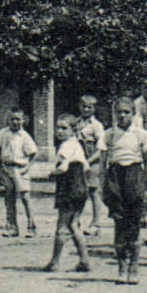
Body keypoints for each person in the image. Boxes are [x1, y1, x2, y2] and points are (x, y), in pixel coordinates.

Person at [102, 97, 147, 283]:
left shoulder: (141, 134)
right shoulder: (109, 134)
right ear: (114, 114)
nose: (123, 115)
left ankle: (134, 267)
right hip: (115, 176)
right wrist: (103, 186)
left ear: (134, 114)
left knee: (134, 224)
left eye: (127, 112)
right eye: (119, 112)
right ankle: (121, 267)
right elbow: (102, 163)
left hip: (135, 175)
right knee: (119, 224)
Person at [40, 116, 92, 273]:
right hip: (80, 188)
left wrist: (52, 173)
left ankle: (54, 263)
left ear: (73, 130)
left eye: (64, 128)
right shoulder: (77, 145)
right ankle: (84, 260)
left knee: (62, 226)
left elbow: (63, 168)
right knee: (73, 225)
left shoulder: (66, 146)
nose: (60, 131)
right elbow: (86, 167)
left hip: (68, 189)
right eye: (58, 128)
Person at [0, 109, 39, 237]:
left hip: (20, 169)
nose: (15, 122)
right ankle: (12, 227)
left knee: (25, 198)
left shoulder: (24, 136)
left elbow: (34, 154)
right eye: (12, 119)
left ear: (23, 120)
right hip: (7, 168)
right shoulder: (3, 133)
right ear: (8, 120)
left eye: (18, 119)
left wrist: (27, 167)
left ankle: (31, 226)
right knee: (9, 198)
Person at [76, 95, 108, 235]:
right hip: (78, 161)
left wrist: (89, 161)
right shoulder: (76, 123)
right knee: (78, 191)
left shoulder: (96, 125)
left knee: (93, 191)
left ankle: (96, 222)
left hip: (92, 161)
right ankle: (75, 222)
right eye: (84, 106)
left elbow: (101, 148)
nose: (86, 109)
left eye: (89, 107)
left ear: (94, 109)